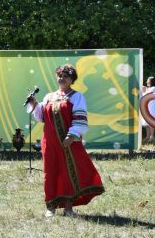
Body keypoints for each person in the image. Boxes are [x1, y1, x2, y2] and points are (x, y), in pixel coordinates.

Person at [29, 64, 104, 217]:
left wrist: (71, 135)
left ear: (72, 80)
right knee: (50, 173)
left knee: (67, 172)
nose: (62, 79)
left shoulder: (77, 97)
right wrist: (35, 104)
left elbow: (80, 119)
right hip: (49, 143)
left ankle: (68, 208)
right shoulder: (49, 97)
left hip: (68, 142)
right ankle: (50, 207)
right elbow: (41, 117)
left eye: (65, 76)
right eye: (60, 76)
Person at [141, 76, 155, 142]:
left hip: (152, 106)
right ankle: (147, 136)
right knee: (146, 121)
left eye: (148, 80)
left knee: (151, 121)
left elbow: (147, 94)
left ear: (151, 81)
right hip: (147, 106)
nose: (147, 81)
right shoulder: (148, 88)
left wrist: (144, 89)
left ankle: (152, 136)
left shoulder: (154, 88)